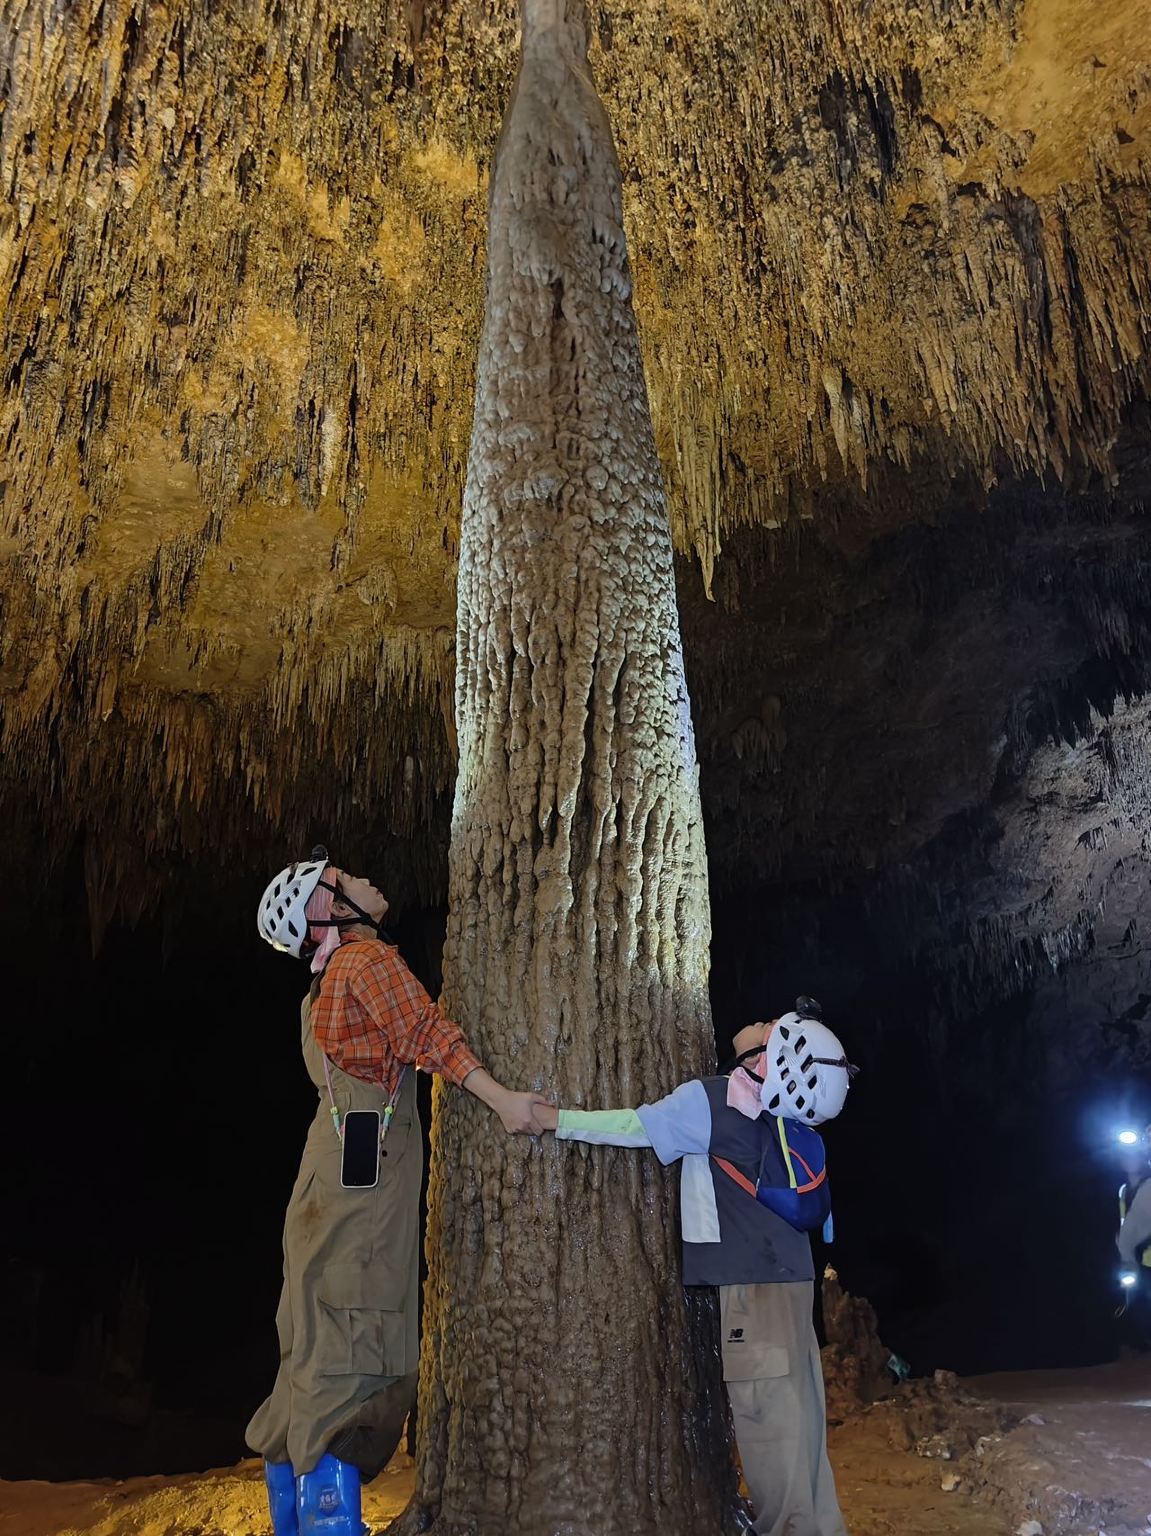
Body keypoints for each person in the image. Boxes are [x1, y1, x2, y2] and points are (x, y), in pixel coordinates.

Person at [249, 849, 549, 1536]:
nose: (362, 878)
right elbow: (424, 1035)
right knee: (353, 1327)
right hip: (364, 1168)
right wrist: (501, 1099)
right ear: (326, 909)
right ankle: (330, 1521)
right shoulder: (363, 961)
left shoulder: (323, 985)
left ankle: (291, 1510)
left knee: (312, 1325)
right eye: (343, 878)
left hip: (328, 1164)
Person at [537, 998, 855, 1536]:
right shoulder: (781, 1123)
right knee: (802, 1430)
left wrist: (554, 1120)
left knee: (770, 1433)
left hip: (754, 1295)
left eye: (768, 1026)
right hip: (794, 1286)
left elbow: (633, 1127)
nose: (759, 1019)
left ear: (764, 1059)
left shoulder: (714, 1101)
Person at [1116, 1132, 1151, 1348]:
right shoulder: (1123, 1190)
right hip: (1135, 1259)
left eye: (1134, 1156)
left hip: (1145, 1254)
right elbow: (1124, 1222)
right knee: (1137, 1306)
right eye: (1125, 1157)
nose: (1130, 1161)